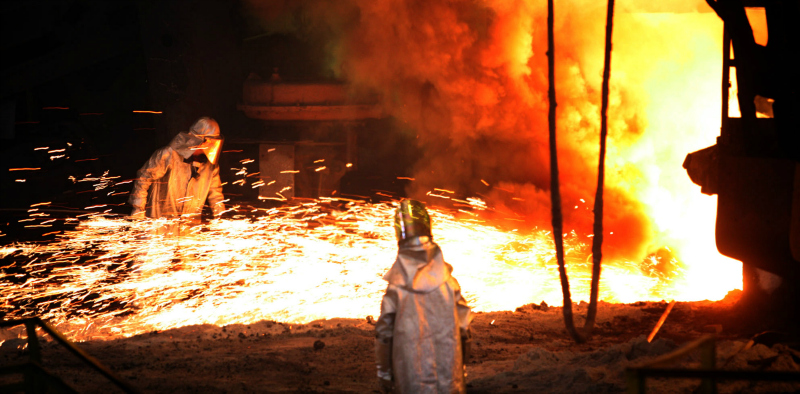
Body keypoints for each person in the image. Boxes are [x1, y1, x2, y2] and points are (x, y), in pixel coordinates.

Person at [375, 199, 472, 393]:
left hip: (411, 380)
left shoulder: (397, 287)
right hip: (449, 381)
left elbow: (384, 334)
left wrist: (384, 373)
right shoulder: (448, 282)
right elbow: (464, 330)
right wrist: (462, 367)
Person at [129, 117, 226, 220]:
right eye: (210, 141)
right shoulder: (168, 156)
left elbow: (216, 195)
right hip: (160, 225)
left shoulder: (211, 167)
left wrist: (221, 217)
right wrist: (138, 209)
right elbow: (143, 179)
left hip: (189, 229)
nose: (212, 146)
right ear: (199, 140)